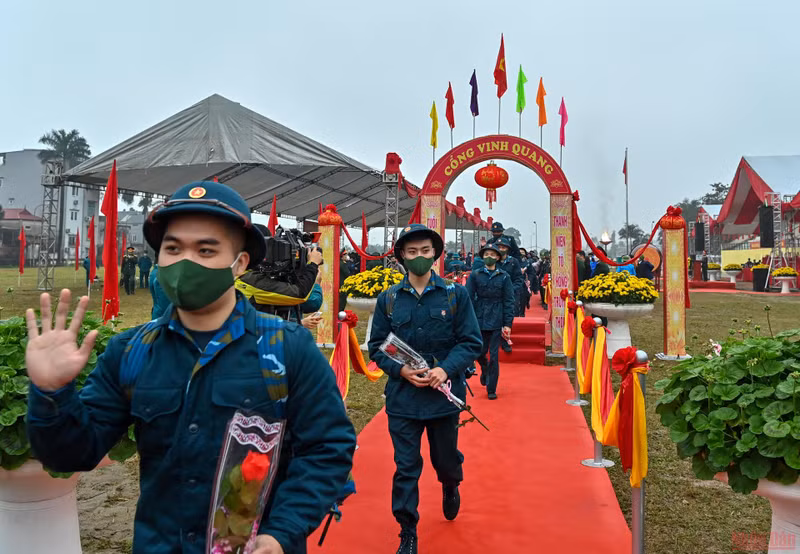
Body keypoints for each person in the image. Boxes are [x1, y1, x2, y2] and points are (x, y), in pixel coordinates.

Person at [25, 180, 356, 554]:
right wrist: (52, 393)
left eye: (206, 249)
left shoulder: (288, 350)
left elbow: (329, 449)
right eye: (173, 248)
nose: (186, 262)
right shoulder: (131, 351)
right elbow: (72, 454)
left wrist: (282, 532)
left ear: (240, 263)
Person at [368, 224, 482, 554]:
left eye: (426, 251)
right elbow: (376, 346)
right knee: (406, 467)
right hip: (403, 399)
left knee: (444, 458)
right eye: (412, 252)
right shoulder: (388, 300)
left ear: (436, 254)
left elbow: (470, 341)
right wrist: (400, 369)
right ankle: (407, 529)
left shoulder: (453, 294)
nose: (420, 257)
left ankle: (450, 483)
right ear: (401, 256)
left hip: (442, 397)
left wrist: (445, 369)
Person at [466, 243, 514, 400]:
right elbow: (468, 297)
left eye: (493, 255)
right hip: (478, 317)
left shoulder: (504, 276)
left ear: (498, 257)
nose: (489, 257)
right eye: (486, 254)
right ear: (482, 256)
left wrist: (507, 323)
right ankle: (484, 368)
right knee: (479, 352)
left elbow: (509, 301)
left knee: (494, 356)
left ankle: (491, 387)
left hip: (496, 318)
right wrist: (468, 318)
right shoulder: (475, 275)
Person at [494, 237, 523, 348]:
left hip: (509, 295)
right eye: (499, 247)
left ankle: (506, 339)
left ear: (508, 249)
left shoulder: (513, 262)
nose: (501, 249)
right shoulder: (493, 260)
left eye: (503, 247)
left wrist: (511, 290)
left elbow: (519, 279)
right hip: (495, 294)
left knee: (507, 317)